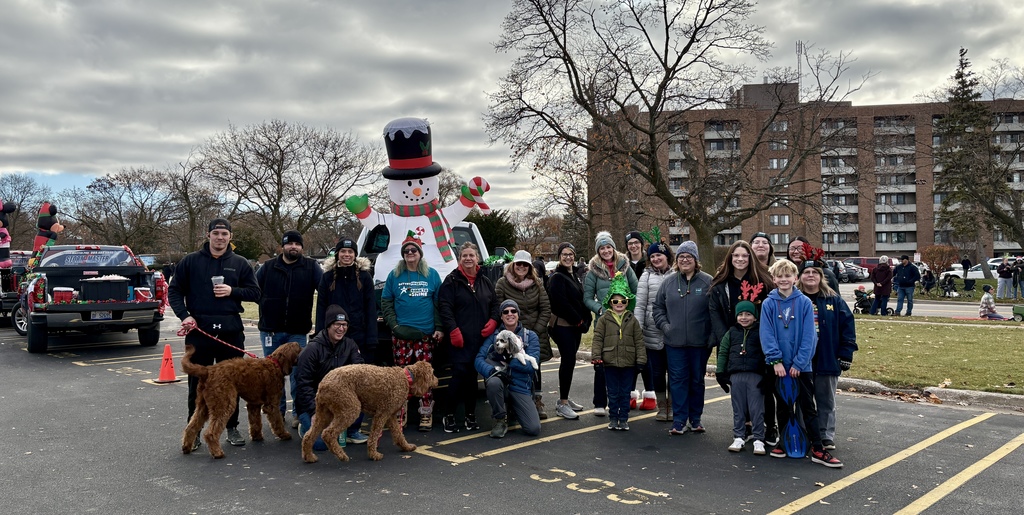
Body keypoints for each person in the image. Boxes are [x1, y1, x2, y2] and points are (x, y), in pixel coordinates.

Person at [168, 218, 261, 450]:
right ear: (208, 235)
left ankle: (231, 427)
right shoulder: (190, 261)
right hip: (200, 330)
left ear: (230, 237)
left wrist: (232, 290)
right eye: (216, 233)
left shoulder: (240, 263)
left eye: (225, 234)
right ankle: (195, 429)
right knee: (198, 384)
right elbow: (175, 291)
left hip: (230, 330)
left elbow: (255, 292)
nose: (220, 238)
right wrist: (184, 316)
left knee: (232, 383)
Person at [760, 259, 842, 467]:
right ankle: (784, 442)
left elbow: (809, 336)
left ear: (795, 278)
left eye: (788, 276)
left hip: (801, 367)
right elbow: (767, 334)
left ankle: (817, 447)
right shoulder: (769, 304)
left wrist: (799, 362)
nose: (784, 279)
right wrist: (775, 361)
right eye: (780, 276)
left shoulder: (805, 302)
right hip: (778, 367)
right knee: (783, 406)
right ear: (774, 278)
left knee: (807, 407)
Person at [708, 240, 775, 444]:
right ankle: (745, 426)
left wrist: (761, 337)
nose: (740, 259)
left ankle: (768, 426)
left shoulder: (763, 281)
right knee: (739, 387)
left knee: (763, 386)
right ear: (730, 258)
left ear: (751, 258)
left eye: (744, 256)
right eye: (736, 255)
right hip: (732, 342)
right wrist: (727, 340)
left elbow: (769, 311)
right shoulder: (720, 285)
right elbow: (715, 313)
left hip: (758, 342)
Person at [256, 230, 323, 428]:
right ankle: (277, 412)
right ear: (282, 246)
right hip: (271, 330)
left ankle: (299, 412)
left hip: (297, 330)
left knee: (298, 373)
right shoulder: (267, 267)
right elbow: (252, 289)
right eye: (289, 244)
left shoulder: (311, 267)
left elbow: (325, 290)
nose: (293, 247)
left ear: (302, 247)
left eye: (297, 244)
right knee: (273, 375)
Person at [381, 231, 443, 432]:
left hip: (424, 335)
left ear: (420, 253)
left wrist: (439, 327)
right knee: (401, 377)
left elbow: (438, 303)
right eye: (406, 250)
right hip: (401, 336)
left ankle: (426, 413)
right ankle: (401, 413)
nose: (410, 253)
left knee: (424, 377)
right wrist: (394, 325)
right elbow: (386, 301)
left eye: (413, 250)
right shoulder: (395, 275)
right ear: (403, 254)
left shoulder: (431, 274)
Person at [653, 240, 712, 435]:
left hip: (699, 343)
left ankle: (695, 419)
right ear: (677, 260)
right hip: (674, 343)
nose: (685, 260)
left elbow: (715, 310)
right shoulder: (669, 282)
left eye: (689, 257)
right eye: (681, 257)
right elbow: (658, 308)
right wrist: (665, 326)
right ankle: (679, 420)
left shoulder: (707, 282)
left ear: (696, 260)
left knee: (696, 381)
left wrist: (709, 335)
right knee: (677, 381)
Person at [797, 260, 857, 453]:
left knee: (826, 401)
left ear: (822, 277)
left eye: (815, 272)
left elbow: (847, 327)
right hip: (802, 361)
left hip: (827, 357)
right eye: (806, 272)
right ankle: (803, 433)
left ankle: (825, 435)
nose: (811, 275)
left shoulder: (833, 300)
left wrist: (846, 352)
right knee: (802, 401)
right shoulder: (794, 299)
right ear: (800, 277)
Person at [439, 241, 499, 433]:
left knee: (473, 379)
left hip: (479, 340)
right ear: (459, 259)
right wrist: (453, 330)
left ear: (477, 258)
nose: (468, 258)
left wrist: (493, 321)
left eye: (471, 255)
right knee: (458, 377)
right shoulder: (451, 280)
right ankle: (448, 415)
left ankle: (470, 416)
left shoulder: (485, 280)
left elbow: (495, 305)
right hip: (459, 340)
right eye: (464, 255)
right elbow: (445, 308)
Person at [294, 305, 368, 450]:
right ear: (328, 325)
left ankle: (351, 431)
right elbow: (303, 385)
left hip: (340, 401)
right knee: (321, 444)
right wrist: (313, 412)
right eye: (337, 324)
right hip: (316, 404)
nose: (341, 329)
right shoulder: (311, 350)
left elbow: (361, 371)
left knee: (362, 396)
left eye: (344, 325)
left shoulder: (350, 345)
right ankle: (305, 427)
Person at [583, 231, 639, 416]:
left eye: (608, 247)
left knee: (624, 360)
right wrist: (599, 309)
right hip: (604, 321)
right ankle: (599, 402)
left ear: (613, 248)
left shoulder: (625, 267)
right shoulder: (593, 271)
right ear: (598, 251)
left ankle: (624, 400)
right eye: (602, 248)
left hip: (625, 320)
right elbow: (587, 297)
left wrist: (628, 308)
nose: (606, 251)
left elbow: (636, 289)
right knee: (602, 361)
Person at [494, 250, 552, 420]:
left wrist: (535, 331)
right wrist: (512, 333)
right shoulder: (502, 283)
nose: (521, 267)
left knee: (535, 368)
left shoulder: (537, 283)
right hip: (511, 333)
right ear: (513, 265)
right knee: (511, 367)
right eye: (518, 263)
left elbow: (546, 308)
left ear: (529, 267)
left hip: (535, 333)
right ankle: (512, 403)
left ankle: (537, 400)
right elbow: (498, 309)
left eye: (525, 264)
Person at [475, 299, 542, 438]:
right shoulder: (494, 337)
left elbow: (531, 367)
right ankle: (500, 419)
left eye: (513, 311)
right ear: (501, 316)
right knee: (493, 382)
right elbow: (478, 359)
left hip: (520, 386)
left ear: (518, 314)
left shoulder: (530, 336)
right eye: (505, 312)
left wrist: (509, 359)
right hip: (501, 384)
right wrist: (491, 371)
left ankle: (514, 408)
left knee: (533, 429)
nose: (509, 314)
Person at [592, 272, 645, 431]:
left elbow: (639, 341)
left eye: (623, 300)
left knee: (625, 392)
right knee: (613, 392)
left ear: (627, 302)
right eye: (616, 301)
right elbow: (597, 339)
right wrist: (596, 357)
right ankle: (613, 417)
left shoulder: (633, 320)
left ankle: (624, 418)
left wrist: (641, 360)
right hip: (610, 362)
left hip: (628, 362)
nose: (619, 303)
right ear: (610, 302)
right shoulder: (603, 320)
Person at [545, 242, 592, 420]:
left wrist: (587, 319)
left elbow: (581, 300)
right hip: (563, 326)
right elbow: (560, 304)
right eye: (564, 254)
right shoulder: (557, 277)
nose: (568, 257)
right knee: (568, 361)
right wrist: (579, 321)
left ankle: (564, 398)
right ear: (559, 257)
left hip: (575, 326)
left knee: (570, 363)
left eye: (570, 254)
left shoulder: (575, 275)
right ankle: (562, 404)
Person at [715, 298, 766, 455]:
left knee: (756, 408)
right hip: (736, 375)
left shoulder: (761, 332)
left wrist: (767, 374)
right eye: (741, 314)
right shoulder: (731, 333)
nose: (744, 317)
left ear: (755, 317)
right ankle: (739, 436)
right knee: (738, 408)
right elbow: (723, 352)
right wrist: (720, 372)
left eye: (748, 314)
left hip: (755, 375)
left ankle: (758, 438)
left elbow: (767, 353)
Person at [316, 236, 377, 363]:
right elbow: (321, 307)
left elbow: (371, 308)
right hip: (334, 335)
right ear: (338, 254)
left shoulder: (365, 277)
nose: (347, 255)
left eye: (350, 251)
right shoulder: (327, 277)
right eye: (343, 251)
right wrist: (319, 335)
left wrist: (372, 338)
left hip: (359, 334)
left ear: (355, 254)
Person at [634, 242, 674, 421]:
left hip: (673, 331)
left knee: (674, 371)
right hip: (652, 331)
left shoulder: (676, 274)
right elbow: (640, 304)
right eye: (652, 257)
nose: (656, 259)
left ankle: (673, 405)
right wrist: (638, 328)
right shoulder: (646, 276)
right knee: (657, 372)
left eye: (659, 255)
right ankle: (662, 405)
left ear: (667, 256)